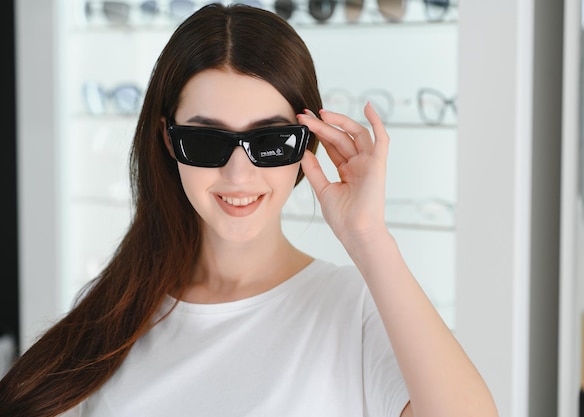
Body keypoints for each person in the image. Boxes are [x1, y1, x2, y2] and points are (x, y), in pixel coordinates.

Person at [0, 4, 498, 417]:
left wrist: (369, 238)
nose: (239, 176)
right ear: (168, 142)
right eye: (205, 139)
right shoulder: (114, 307)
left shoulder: (355, 311)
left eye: (270, 140)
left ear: (308, 144)